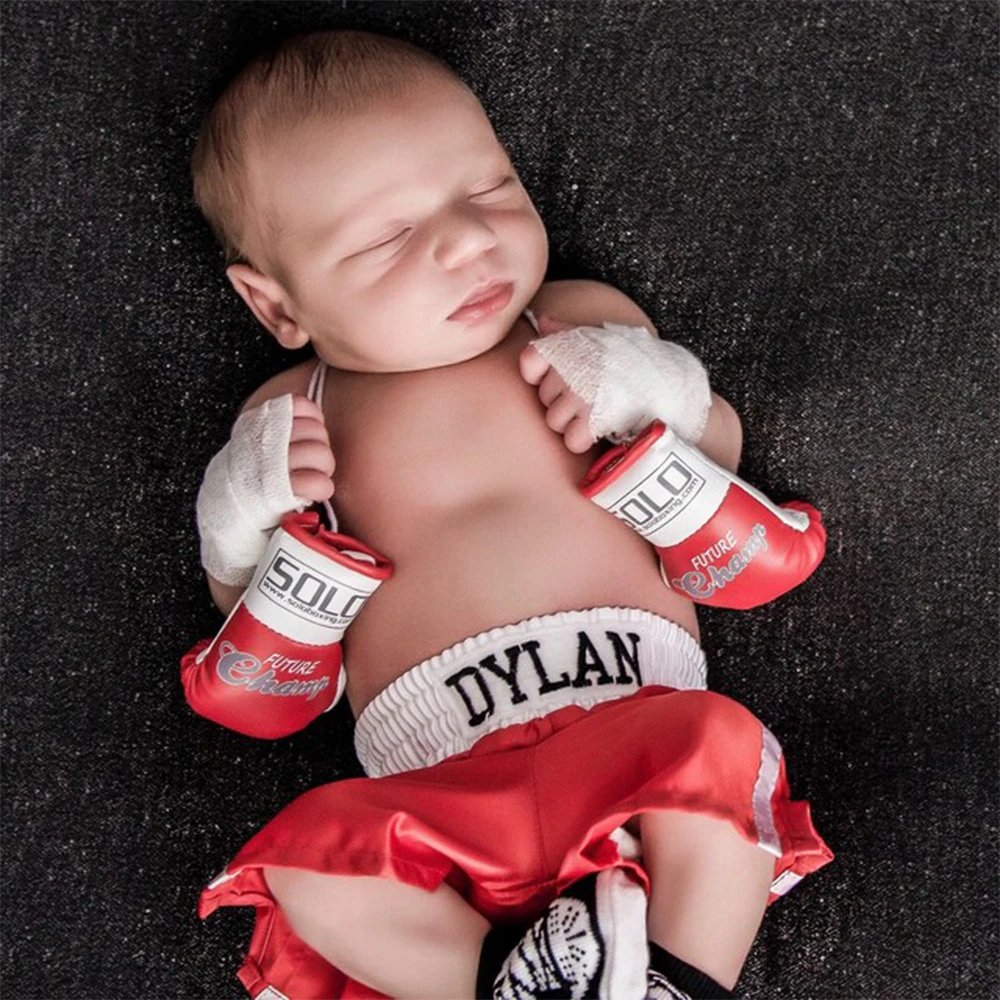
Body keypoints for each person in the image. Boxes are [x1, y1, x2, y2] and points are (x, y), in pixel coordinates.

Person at [183, 27, 833, 1000]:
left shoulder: (575, 317)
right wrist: (237, 511)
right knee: (304, 864)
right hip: (436, 788)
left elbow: (720, 477)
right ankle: (507, 981)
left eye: (489, 190)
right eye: (388, 236)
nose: (467, 239)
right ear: (277, 306)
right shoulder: (290, 418)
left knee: (721, 741)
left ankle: (671, 981)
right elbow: (266, 662)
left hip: (635, 731)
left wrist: (662, 392)